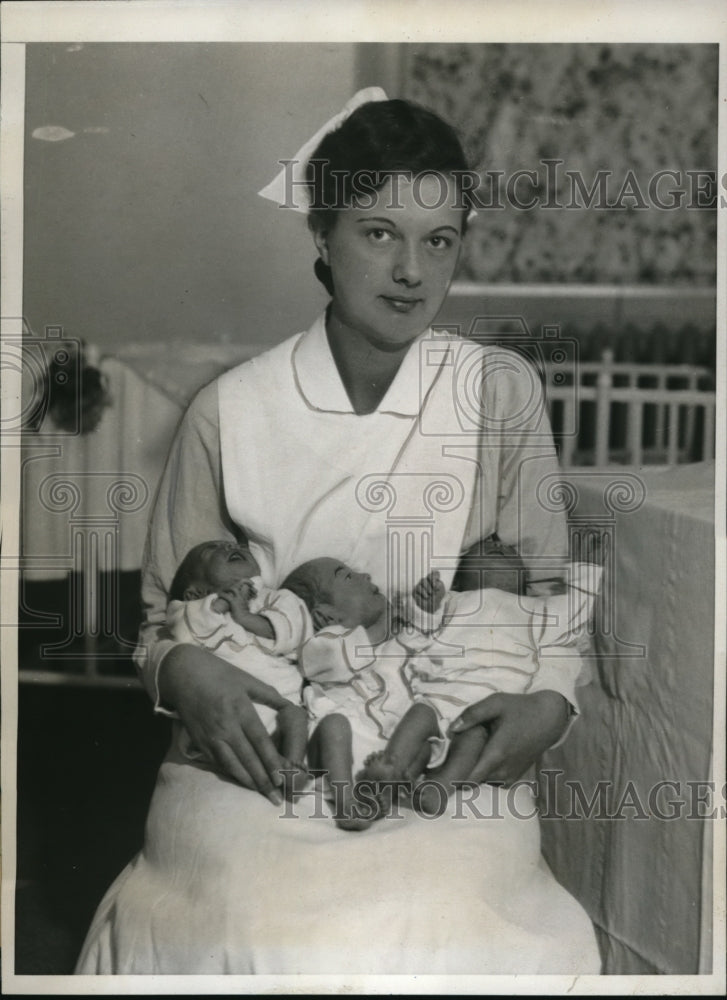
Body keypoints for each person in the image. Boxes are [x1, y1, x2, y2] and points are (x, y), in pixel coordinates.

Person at [75, 88, 600, 975]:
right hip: (263, 749)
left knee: (445, 913)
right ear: (320, 235)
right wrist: (180, 669)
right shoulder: (231, 411)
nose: (411, 271)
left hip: (444, 740)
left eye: (439, 240)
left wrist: (551, 701)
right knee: (253, 914)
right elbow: (166, 616)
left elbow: (547, 598)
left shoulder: (499, 392)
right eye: (378, 232)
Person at [284, 556, 601, 826]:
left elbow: (420, 642)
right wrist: (384, 625)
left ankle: (430, 788)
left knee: (444, 722)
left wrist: (425, 610)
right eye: (349, 577)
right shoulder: (324, 644)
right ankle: (346, 801)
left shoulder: (401, 634)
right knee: (335, 726)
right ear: (326, 615)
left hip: (397, 736)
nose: (366, 575)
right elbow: (332, 660)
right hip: (356, 727)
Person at [166, 538, 311, 798]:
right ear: (194, 593)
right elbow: (184, 632)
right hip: (223, 706)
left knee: (297, 717)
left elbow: (293, 633)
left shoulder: (277, 597)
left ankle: (293, 765)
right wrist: (220, 602)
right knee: (232, 744)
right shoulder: (191, 608)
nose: (230, 548)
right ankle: (274, 768)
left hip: (280, 698)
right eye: (213, 550)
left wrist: (245, 617)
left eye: (237, 547)